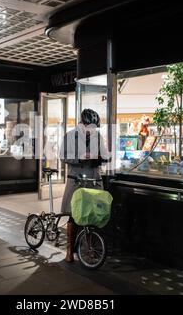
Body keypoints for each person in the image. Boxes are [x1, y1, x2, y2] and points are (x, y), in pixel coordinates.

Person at [59, 109, 110, 262]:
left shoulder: (97, 136)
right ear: (81, 124)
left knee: (92, 216)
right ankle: (69, 249)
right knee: (73, 215)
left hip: (94, 178)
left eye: (94, 127)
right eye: (89, 127)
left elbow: (105, 154)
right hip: (76, 179)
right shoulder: (69, 136)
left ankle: (90, 248)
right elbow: (63, 156)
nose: (91, 131)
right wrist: (80, 158)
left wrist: (103, 157)